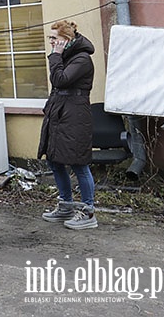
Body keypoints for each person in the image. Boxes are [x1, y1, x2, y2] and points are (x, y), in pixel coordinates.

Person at [37, 20, 98, 230]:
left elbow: (60, 80)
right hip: (59, 114)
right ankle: (66, 205)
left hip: (74, 117)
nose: (51, 42)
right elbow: (58, 87)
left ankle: (88, 211)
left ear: (67, 40)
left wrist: (54, 57)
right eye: (50, 38)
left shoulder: (81, 59)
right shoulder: (65, 57)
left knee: (79, 163)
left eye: (54, 38)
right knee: (54, 160)